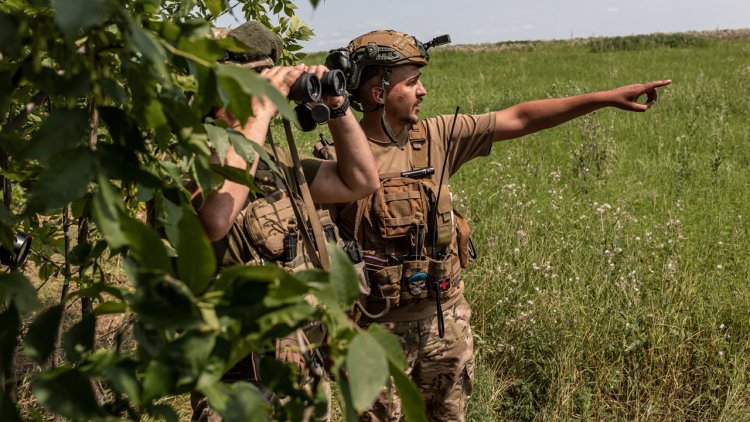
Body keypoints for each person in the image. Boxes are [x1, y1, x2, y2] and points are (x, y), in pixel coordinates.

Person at [318, 29, 671, 421]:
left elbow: (519, 117)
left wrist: (604, 99)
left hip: (445, 327)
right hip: (374, 337)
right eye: (412, 82)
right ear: (377, 92)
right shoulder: (335, 160)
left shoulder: (438, 136)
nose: (423, 92)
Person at [189, 22, 379, 422]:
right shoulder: (186, 164)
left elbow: (361, 180)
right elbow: (215, 219)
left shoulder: (277, 165)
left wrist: (337, 104)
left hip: (303, 373)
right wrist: (258, 112)